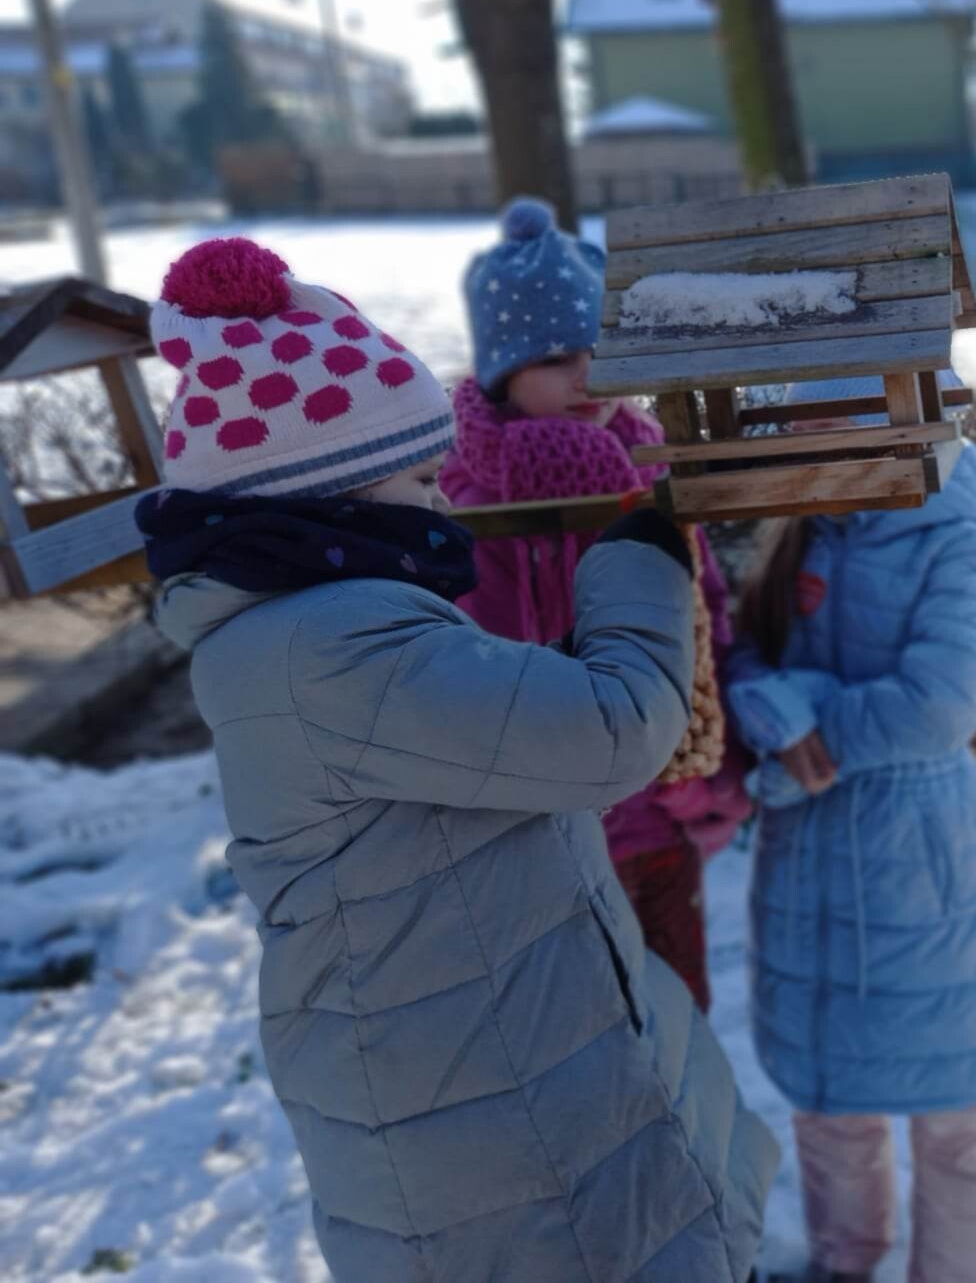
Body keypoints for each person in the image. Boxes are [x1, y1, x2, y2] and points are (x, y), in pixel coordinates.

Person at [136, 236, 777, 1282]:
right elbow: (613, 727)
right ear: (331, 489)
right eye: (423, 478)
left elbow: (501, 725)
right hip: (495, 1133)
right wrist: (638, 555)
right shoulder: (332, 647)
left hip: (500, 1076)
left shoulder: (316, 628)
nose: (442, 503)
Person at [727, 378, 976, 1283]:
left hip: (917, 855)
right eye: (798, 423)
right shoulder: (808, 511)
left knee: (958, 1115)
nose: (808, 441)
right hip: (811, 844)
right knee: (830, 1100)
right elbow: (747, 648)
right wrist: (772, 710)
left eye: (828, 420)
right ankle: (841, 1264)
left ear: (890, 406)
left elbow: (940, 705)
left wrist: (810, 722)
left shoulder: (951, 512)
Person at [442, 196, 753, 1010]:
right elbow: (471, 661)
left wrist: (704, 778)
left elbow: (704, 618)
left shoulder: (653, 464)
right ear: (502, 370)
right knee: (573, 1025)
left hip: (657, 818)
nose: (586, 375)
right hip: (539, 836)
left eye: (598, 350)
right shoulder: (470, 497)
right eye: (554, 358)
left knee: (675, 1016)